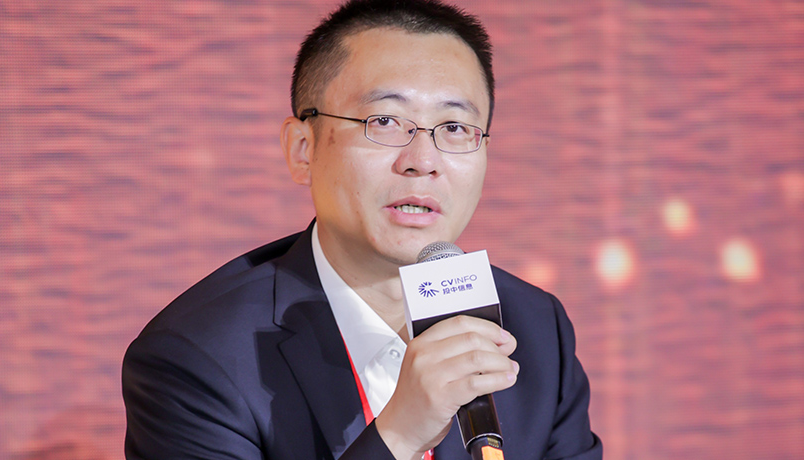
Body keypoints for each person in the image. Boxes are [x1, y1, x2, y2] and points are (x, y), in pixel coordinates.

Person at [121, 0, 602, 459]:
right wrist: (401, 434)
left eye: (455, 128)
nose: (423, 161)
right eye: (385, 120)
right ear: (303, 149)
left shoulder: (535, 329)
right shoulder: (198, 357)